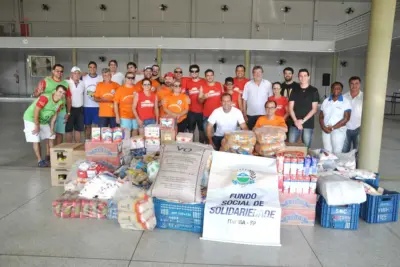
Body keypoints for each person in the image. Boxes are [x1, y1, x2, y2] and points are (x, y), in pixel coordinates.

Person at [23, 85, 67, 167]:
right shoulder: (45, 98)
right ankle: (40, 160)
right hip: (31, 118)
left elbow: (55, 115)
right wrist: (37, 125)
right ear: (55, 91)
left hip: (43, 120)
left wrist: (52, 128)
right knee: (36, 138)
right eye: (60, 92)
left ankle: (52, 157)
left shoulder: (61, 102)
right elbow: (36, 110)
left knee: (51, 136)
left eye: (63, 93)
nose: (61, 95)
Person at [33, 64, 72, 146]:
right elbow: (36, 94)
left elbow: (68, 98)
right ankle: (49, 154)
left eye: (61, 71)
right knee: (49, 135)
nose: (59, 73)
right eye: (57, 71)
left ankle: (57, 153)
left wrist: (68, 112)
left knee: (59, 133)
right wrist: (38, 92)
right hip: (48, 112)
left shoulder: (65, 83)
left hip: (61, 111)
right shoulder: (46, 81)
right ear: (53, 71)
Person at [288, 69, 319, 148]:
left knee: (306, 146)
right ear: (298, 77)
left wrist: (302, 121)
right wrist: (296, 121)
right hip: (294, 122)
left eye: (305, 75)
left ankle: (305, 159)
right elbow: (290, 108)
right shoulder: (294, 90)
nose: (303, 77)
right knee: (291, 145)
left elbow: (314, 109)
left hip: (308, 122)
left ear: (308, 77)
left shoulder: (314, 91)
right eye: (301, 76)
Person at [319, 82, 351, 154]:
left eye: (338, 88)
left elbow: (346, 118)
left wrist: (333, 127)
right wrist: (323, 127)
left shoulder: (346, 102)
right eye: (334, 88)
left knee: (337, 151)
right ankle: (329, 165)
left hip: (338, 130)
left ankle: (336, 165)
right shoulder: (326, 101)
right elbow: (321, 116)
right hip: (326, 129)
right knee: (327, 151)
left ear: (341, 90)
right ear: (331, 89)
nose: (336, 90)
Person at [242, 65, 273, 130]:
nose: (257, 74)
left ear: (262, 73)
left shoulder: (268, 84)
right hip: (250, 115)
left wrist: (270, 114)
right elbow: (244, 100)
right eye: (255, 72)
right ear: (253, 74)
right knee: (251, 134)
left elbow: (271, 99)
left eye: (259, 72)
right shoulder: (248, 84)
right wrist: (244, 114)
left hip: (264, 114)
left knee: (263, 135)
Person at [114, 72, 142, 136]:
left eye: (132, 78)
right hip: (124, 116)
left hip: (136, 115)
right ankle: (126, 146)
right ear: (125, 78)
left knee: (135, 130)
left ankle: (133, 145)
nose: (130, 79)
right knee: (126, 133)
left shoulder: (138, 88)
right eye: (128, 77)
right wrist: (117, 116)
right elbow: (115, 104)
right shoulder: (120, 89)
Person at [199, 69, 224, 140]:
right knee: (208, 135)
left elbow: (224, 98)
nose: (210, 77)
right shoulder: (202, 87)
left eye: (211, 75)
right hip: (207, 115)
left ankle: (217, 149)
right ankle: (209, 149)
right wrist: (203, 97)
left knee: (219, 135)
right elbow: (200, 101)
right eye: (208, 76)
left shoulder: (219, 84)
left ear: (213, 76)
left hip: (219, 114)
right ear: (205, 77)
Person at [185, 64, 206, 143]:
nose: (194, 72)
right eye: (192, 71)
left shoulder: (204, 81)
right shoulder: (187, 82)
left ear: (198, 72)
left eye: (196, 71)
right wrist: (186, 97)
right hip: (191, 111)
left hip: (202, 111)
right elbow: (185, 92)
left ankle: (202, 146)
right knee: (191, 130)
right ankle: (191, 146)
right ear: (190, 72)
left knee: (202, 130)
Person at [342, 76, 363, 153]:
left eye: (356, 83)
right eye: (352, 83)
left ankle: (355, 165)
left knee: (357, 152)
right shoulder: (344, 97)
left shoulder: (364, 97)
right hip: (345, 128)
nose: (354, 86)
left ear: (360, 84)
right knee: (344, 151)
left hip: (359, 128)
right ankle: (343, 165)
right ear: (349, 84)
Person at [82, 61, 102, 139]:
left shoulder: (100, 78)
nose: (92, 69)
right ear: (88, 68)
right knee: (87, 126)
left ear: (96, 68)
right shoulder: (84, 78)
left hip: (97, 106)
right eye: (90, 67)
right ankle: (87, 142)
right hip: (86, 106)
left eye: (94, 67)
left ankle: (95, 143)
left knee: (96, 127)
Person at [65, 67, 85, 143]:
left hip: (80, 109)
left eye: (78, 73)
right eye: (75, 73)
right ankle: (69, 148)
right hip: (69, 109)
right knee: (69, 130)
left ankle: (77, 147)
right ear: (71, 74)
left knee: (78, 129)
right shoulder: (66, 82)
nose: (76, 75)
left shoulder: (82, 83)